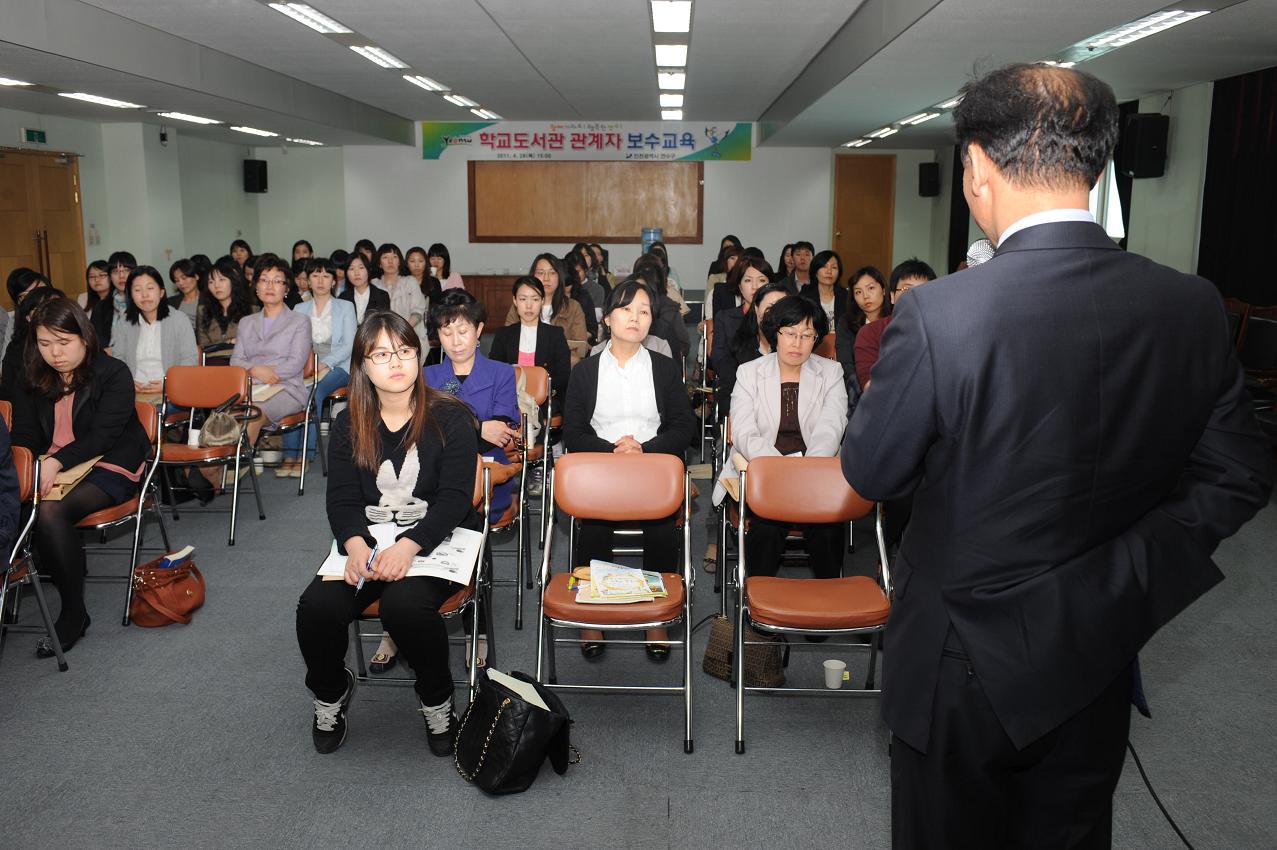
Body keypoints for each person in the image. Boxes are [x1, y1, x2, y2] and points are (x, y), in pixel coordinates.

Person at [840, 62, 1273, 850]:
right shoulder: (1189, 303)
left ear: (975, 167)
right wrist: (1128, 575)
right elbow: (1239, 473)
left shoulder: (940, 313)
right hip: (1097, 643)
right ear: (1099, 167)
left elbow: (872, 471)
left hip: (956, 655)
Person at [295, 311, 479, 756]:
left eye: (404, 350)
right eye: (381, 353)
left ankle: (437, 699)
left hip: (437, 540)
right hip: (370, 541)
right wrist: (355, 544)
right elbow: (340, 499)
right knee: (316, 608)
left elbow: (456, 499)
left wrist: (410, 546)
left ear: (418, 355)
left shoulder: (452, 417)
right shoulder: (347, 424)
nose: (396, 361)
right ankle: (331, 689)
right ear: (363, 365)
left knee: (404, 607)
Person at [562, 278, 696, 662]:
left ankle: (656, 614)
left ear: (652, 320)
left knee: (660, 524)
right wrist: (612, 452)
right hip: (601, 470)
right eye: (626, 309)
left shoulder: (665, 369)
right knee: (594, 524)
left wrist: (644, 449)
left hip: (653, 469)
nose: (635, 318)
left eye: (644, 311)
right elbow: (573, 431)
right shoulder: (586, 371)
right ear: (608, 318)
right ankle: (592, 610)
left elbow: (683, 428)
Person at [10, 298, 151, 657]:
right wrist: (29, 464)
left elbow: (104, 435)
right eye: (44, 344)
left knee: (51, 512)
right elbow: (24, 434)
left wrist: (56, 461)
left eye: (63, 342)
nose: (54, 353)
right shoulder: (32, 375)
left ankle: (74, 613)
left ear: (84, 338)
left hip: (111, 460)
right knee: (23, 501)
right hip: (55, 462)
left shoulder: (112, 372)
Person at [723, 295, 847, 578]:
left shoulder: (831, 372)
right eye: (789, 333)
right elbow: (744, 432)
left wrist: (805, 472)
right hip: (765, 472)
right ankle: (758, 599)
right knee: (766, 526)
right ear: (774, 333)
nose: (797, 342)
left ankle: (829, 602)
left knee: (827, 527)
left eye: (806, 335)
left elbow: (832, 426)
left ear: (816, 337)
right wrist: (779, 470)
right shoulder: (749, 373)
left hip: (815, 471)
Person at [280, 257, 355, 477]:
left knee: (312, 393)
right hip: (305, 364)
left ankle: (305, 454)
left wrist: (324, 363)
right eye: (315, 275)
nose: (320, 280)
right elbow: (294, 344)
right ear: (308, 281)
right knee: (290, 392)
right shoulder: (299, 308)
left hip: (339, 365)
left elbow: (349, 344)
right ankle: (290, 455)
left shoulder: (345, 307)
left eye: (326, 276)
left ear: (333, 281)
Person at [230, 256, 312, 449]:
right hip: (251, 388)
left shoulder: (300, 321)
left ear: (287, 289)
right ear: (256, 287)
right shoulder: (246, 322)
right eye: (264, 280)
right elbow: (235, 361)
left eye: (277, 281)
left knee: (251, 415)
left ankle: (232, 469)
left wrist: (262, 374)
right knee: (225, 417)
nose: (270, 286)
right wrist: (256, 370)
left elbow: (295, 364)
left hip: (287, 389)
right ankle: (222, 473)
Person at [110, 265, 198, 396]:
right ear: (131, 296)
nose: (144, 295)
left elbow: (189, 359)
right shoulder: (124, 323)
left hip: (171, 393)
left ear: (161, 292)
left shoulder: (179, 320)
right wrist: (127, 382)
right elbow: (119, 358)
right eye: (137, 290)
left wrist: (169, 384)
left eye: (150, 288)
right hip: (132, 393)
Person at [488, 275, 572, 411]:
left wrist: (537, 389)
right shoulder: (504, 334)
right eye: (522, 299)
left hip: (543, 401)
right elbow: (495, 372)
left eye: (535, 299)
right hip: (509, 398)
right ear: (515, 301)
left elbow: (564, 376)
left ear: (542, 301)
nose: (528, 305)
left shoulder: (555, 334)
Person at [852, 258, 935, 390]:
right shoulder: (870, 333)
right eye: (907, 289)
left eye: (924, 290)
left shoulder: (942, 332)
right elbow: (870, 387)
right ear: (892, 296)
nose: (916, 296)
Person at [712, 278, 788, 418]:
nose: (776, 315)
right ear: (756, 308)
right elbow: (728, 390)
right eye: (770, 307)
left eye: (782, 309)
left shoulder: (795, 349)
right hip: (743, 418)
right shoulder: (738, 344)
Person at [507, 253, 590, 366]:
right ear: (533, 276)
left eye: (552, 273)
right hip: (524, 364)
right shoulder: (520, 306)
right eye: (541, 273)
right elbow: (508, 341)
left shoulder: (573, 307)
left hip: (560, 366)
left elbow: (581, 348)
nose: (546, 278)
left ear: (559, 276)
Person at [196, 256, 257, 355]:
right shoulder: (203, 311)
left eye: (222, 280)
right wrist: (228, 343)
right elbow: (203, 347)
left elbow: (252, 346)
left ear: (233, 282)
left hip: (241, 365)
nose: (216, 286)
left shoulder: (251, 311)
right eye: (211, 282)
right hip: (212, 365)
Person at [374, 244, 427, 344]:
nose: (390, 261)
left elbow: (418, 311)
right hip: (381, 338)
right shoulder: (374, 284)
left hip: (409, 336)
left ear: (399, 261)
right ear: (379, 263)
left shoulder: (410, 281)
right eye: (385, 257)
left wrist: (402, 331)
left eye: (394, 257)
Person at [90, 250, 135, 348]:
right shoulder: (101, 307)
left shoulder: (142, 303)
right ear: (110, 277)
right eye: (116, 271)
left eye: (126, 270)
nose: (121, 276)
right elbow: (94, 340)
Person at [337, 252, 390, 323]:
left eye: (361, 268)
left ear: (368, 270)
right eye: (351, 268)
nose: (356, 273)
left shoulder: (382, 296)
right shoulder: (343, 298)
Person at [799, 250, 846, 329]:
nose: (829, 271)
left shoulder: (846, 296)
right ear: (815, 272)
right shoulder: (805, 296)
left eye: (834, 267)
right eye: (824, 266)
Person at [167, 259, 203, 327]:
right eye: (177, 280)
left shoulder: (209, 301)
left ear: (196, 276)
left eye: (184, 278)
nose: (181, 283)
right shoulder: (171, 302)